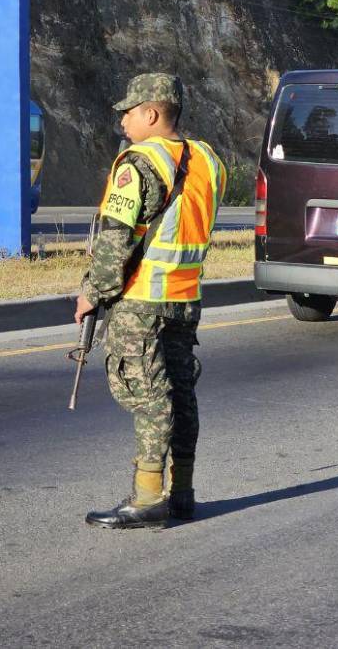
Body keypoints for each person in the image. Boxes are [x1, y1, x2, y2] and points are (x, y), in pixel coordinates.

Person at [74, 73, 227, 529]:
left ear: (153, 113)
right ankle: (181, 493)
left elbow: (115, 242)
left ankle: (146, 497)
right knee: (180, 396)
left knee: (148, 397)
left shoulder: (137, 164)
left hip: (140, 302)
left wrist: (91, 294)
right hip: (185, 300)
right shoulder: (209, 160)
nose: (122, 119)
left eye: (129, 111)